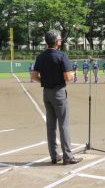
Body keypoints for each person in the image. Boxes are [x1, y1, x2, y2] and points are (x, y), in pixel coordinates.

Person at [31, 29, 82, 165]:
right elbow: (68, 77)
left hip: (46, 93)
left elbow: (34, 76)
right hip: (59, 93)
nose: (61, 40)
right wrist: (74, 74)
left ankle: (54, 156)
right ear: (56, 41)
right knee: (63, 124)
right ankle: (68, 156)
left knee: (51, 125)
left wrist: (46, 81)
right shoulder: (61, 56)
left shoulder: (40, 57)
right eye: (59, 39)